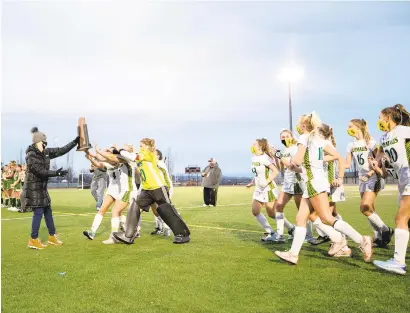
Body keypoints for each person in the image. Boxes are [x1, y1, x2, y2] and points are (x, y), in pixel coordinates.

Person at [275, 113, 372, 265]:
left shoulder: (304, 138)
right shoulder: (320, 141)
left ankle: (361, 240)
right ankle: (293, 254)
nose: (298, 127)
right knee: (301, 218)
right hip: (315, 182)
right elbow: (327, 159)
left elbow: (298, 161)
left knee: (327, 217)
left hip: (313, 183)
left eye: (299, 124)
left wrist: (287, 160)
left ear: (304, 126)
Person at [113, 138, 190, 244]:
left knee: (166, 210)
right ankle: (128, 235)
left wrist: (121, 149)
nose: (140, 147)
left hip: (158, 187)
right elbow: (127, 158)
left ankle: (183, 234)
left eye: (142, 145)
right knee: (134, 206)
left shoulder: (149, 154)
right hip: (146, 189)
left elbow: (133, 156)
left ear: (148, 147)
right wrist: (116, 151)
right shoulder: (140, 156)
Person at [25, 127, 79, 249]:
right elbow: (40, 171)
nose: (45, 145)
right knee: (38, 213)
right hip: (33, 188)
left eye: (46, 143)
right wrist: (57, 173)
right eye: (43, 143)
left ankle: (52, 236)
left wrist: (74, 142)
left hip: (42, 188)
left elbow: (61, 150)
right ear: (37, 142)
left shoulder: (46, 152)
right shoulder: (31, 155)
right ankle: (33, 239)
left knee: (48, 212)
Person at [373, 104, 410, 275]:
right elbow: (383, 171)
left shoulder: (402, 131)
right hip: (402, 181)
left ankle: (398, 262)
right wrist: (375, 166)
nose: (378, 120)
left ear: (388, 118)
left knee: (400, 218)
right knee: (406, 220)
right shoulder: (383, 138)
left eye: (380, 117)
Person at [345, 118, 393, 248]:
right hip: (362, 178)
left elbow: (379, 160)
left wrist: (371, 173)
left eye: (350, 126)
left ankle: (386, 230)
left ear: (358, 127)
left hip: (373, 176)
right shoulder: (351, 144)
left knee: (364, 207)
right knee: (369, 209)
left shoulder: (370, 142)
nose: (348, 129)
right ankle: (378, 237)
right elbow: (347, 164)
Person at [83, 145, 137, 244]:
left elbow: (110, 158)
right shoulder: (113, 160)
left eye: (109, 150)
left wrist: (99, 151)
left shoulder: (124, 158)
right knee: (105, 210)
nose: (107, 151)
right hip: (115, 190)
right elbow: (100, 162)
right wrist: (88, 153)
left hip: (126, 189)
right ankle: (92, 232)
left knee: (116, 212)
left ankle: (120, 233)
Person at [247, 138, 280, 242]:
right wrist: (252, 182)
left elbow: (275, 171)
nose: (252, 145)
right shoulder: (253, 158)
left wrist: (266, 181)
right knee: (255, 211)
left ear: (260, 146)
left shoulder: (265, 158)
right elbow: (257, 173)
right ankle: (271, 232)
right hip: (258, 189)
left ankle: (290, 229)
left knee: (272, 214)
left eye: (254, 143)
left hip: (268, 189)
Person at [150, 149, 173, 237]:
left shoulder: (160, 163)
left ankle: (167, 227)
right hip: (154, 188)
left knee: (163, 208)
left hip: (165, 187)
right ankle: (159, 228)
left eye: (153, 153)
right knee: (155, 210)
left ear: (158, 156)